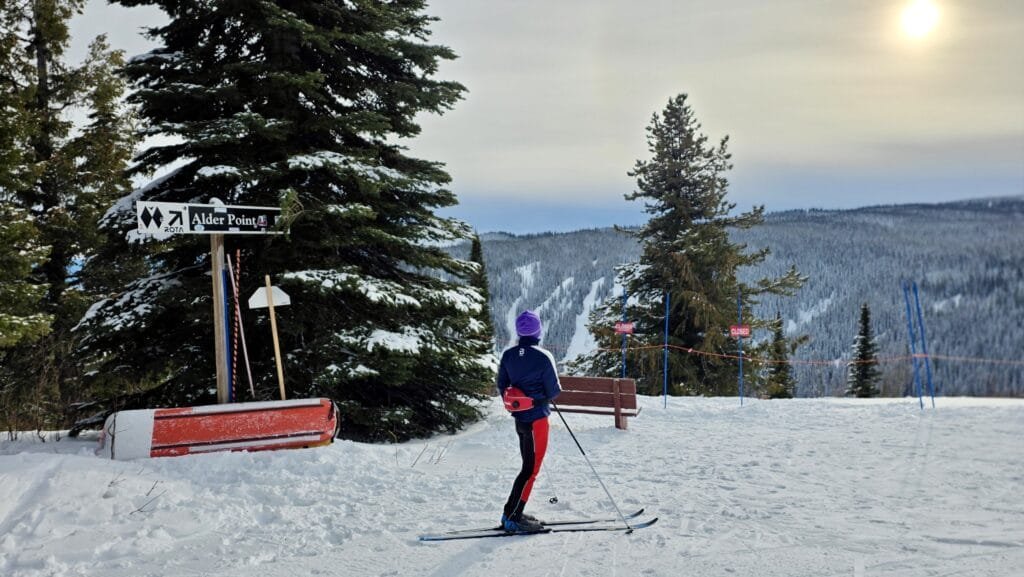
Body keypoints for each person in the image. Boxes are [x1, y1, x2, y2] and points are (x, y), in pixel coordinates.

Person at [497, 310, 561, 533]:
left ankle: (511, 512)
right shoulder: (543, 357)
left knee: (527, 468)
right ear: (538, 331)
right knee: (530, 470)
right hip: (538, 421)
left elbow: (501, 386)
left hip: (520, 420)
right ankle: (513, 518)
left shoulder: (508, 355)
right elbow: (554, 391)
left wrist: (519, 401)